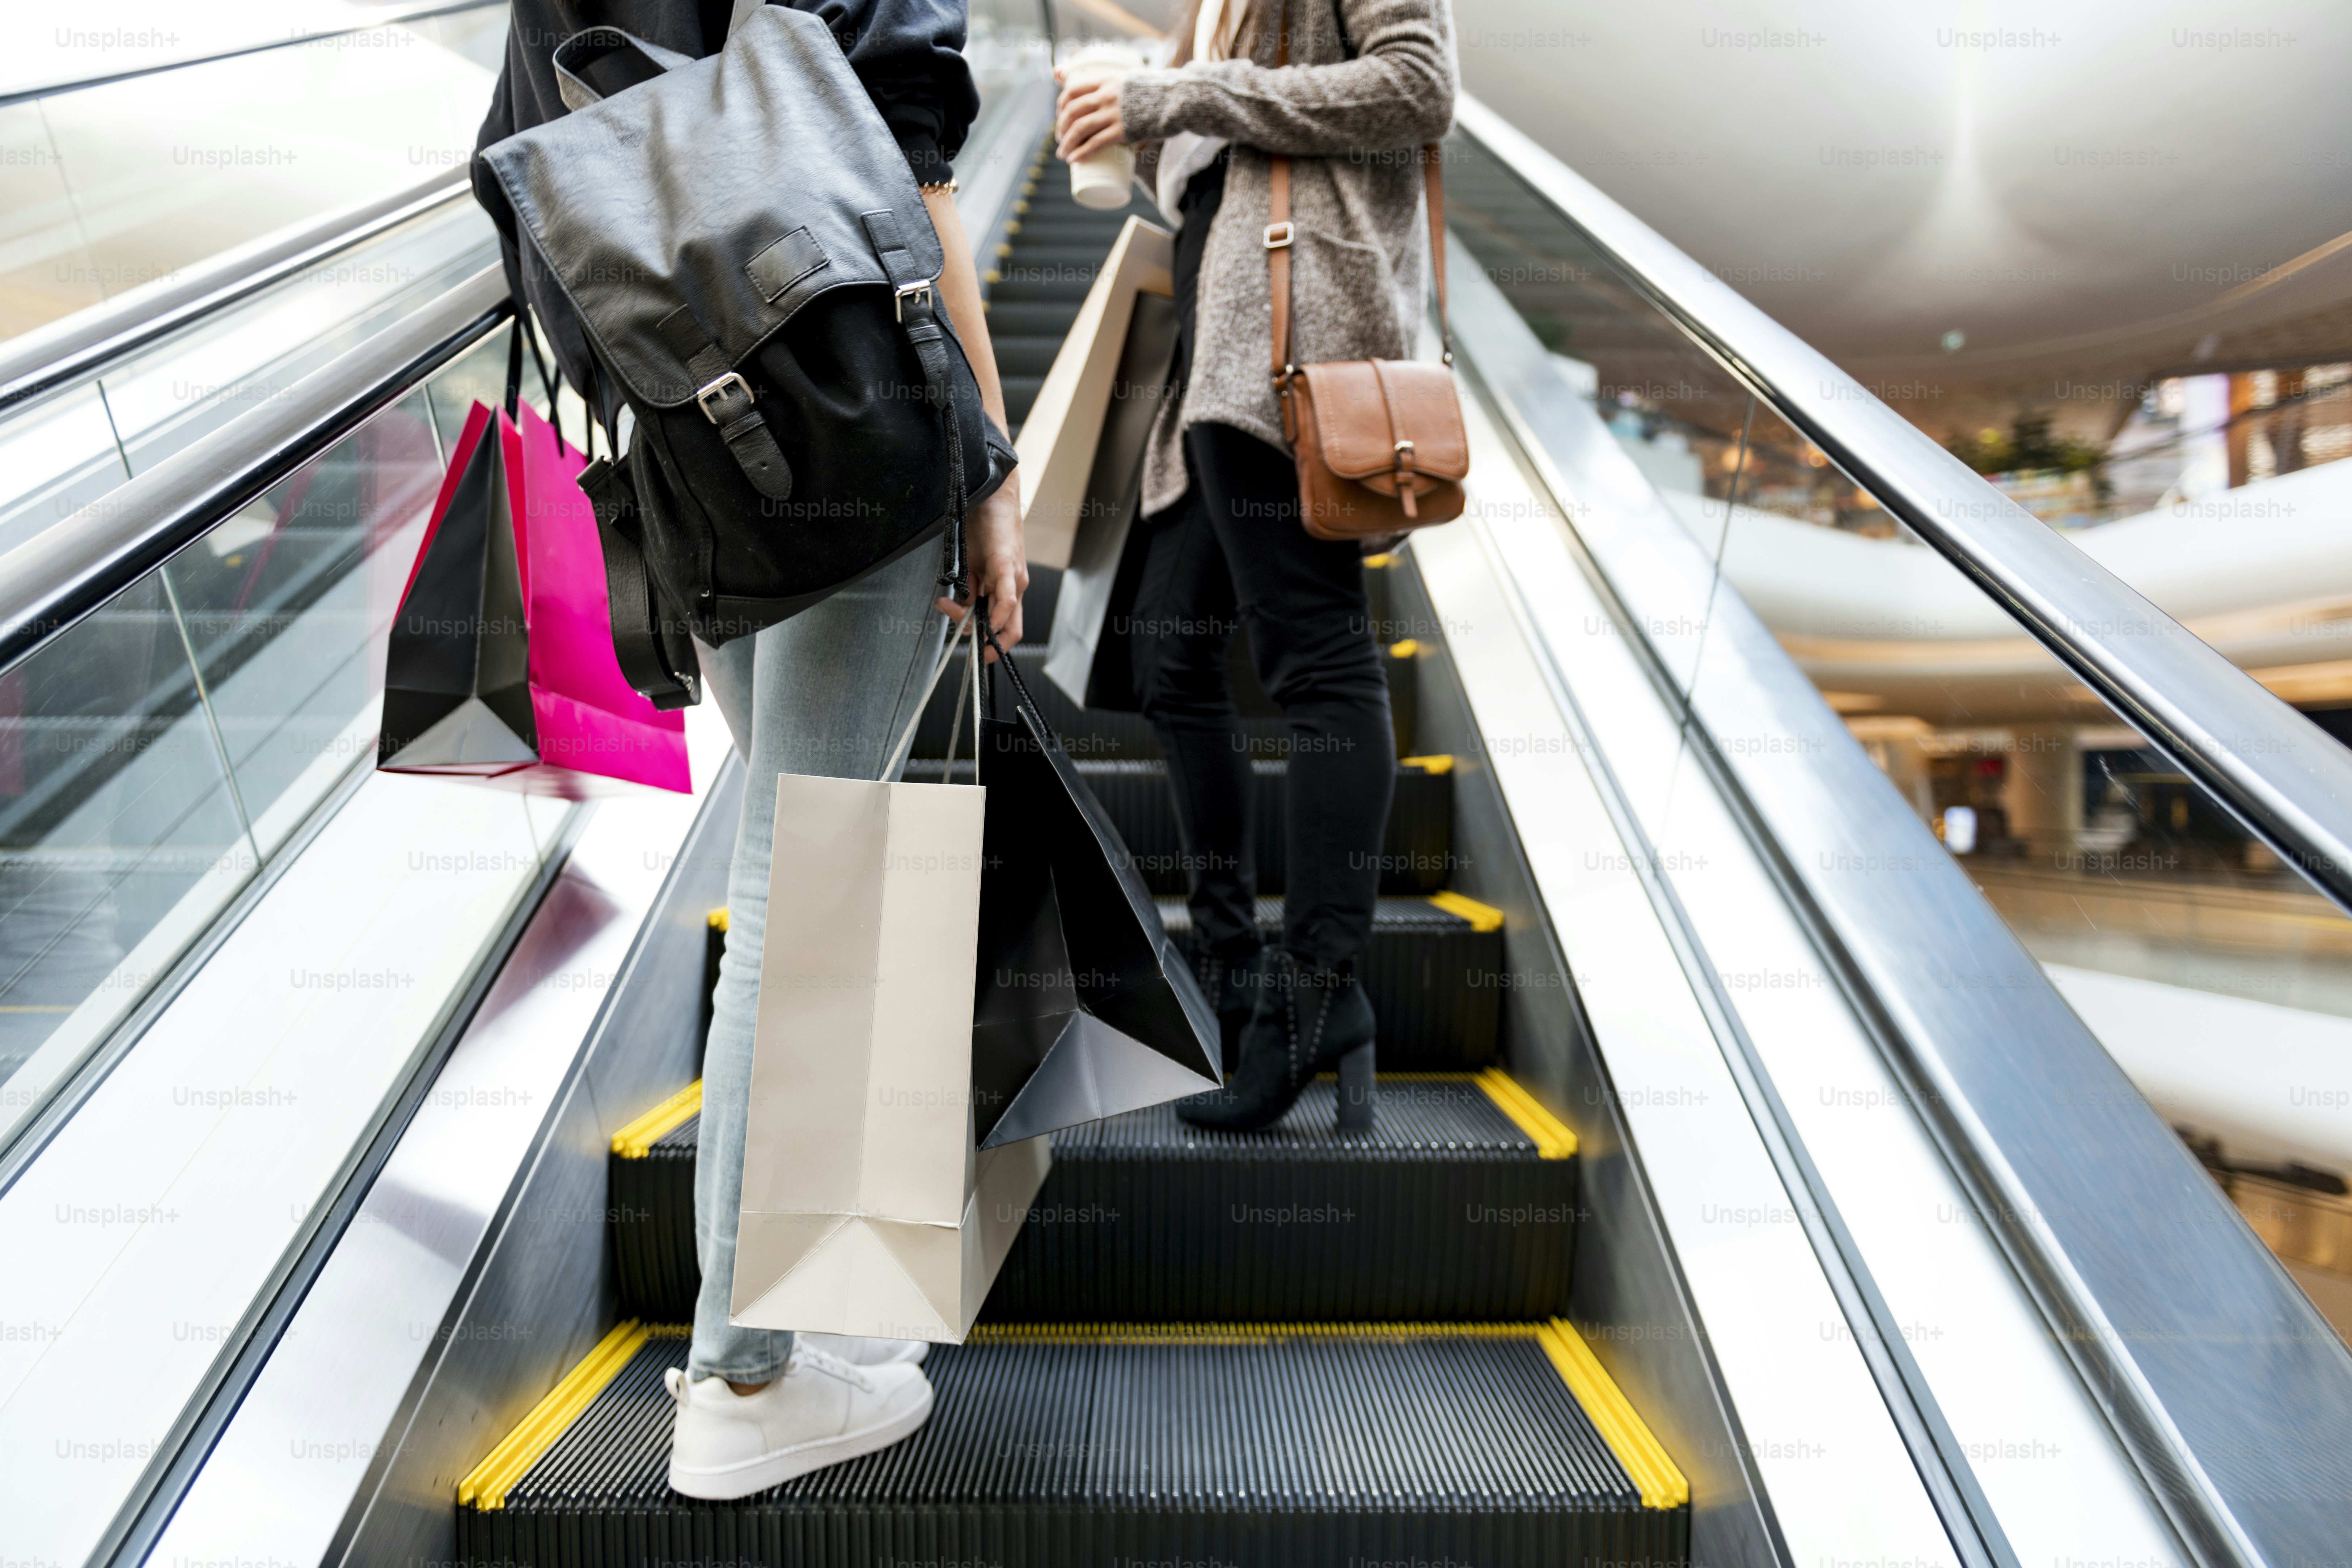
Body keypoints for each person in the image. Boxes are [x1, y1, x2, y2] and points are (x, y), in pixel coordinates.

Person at [474, 0, 1025, 1502]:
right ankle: (739, 1372)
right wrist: (987, 470)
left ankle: (811, 1314)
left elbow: (524, 191)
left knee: (816, 866)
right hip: (861, 440)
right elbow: (913, 186)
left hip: (697, 471)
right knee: (813, 878)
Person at [1053, 0, 1455, 1132]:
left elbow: (1417, 87)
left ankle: (1315, 987)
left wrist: (1175, 92)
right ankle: (1236, 968)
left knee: (1318, 655)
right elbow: (1210, 159)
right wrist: (1130, 124)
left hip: (1294, 343)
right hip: (1214, 355)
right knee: (1172, 661)